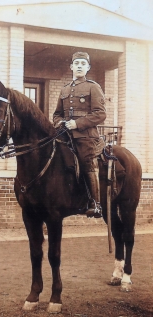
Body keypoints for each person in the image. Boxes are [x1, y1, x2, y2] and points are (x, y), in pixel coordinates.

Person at [53, 51, 106, 218]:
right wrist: (59, 123)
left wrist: (77, 123)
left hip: (86, 137)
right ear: (71, 67)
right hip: (65, 136)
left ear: (88, 68)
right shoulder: (65, 89)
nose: (79, 66)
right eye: (77, 64)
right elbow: (56, 114)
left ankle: (95, 203)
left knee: (86, 162)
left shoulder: (93, 87)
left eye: (83, 64)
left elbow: (100, 114)